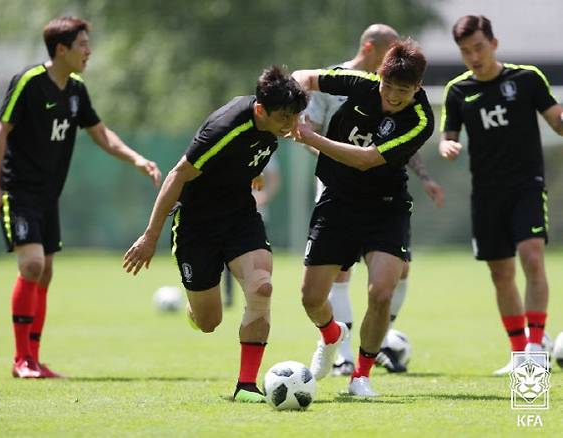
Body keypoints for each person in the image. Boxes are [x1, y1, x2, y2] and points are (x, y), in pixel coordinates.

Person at [0, 16, 162, 379]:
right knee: (32, 266)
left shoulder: (77, 89)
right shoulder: (29, 83)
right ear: (61, 49)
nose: (88, 52)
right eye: (82, 45)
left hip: (49, 195)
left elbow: (101, 134)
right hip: (18, 190)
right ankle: (21, 360)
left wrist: (138, 159)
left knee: (45, 273)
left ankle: (33, 359)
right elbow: (0, 131)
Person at [122, 66, 308, 402]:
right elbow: (177, 176)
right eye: (285, 118)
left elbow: (254, 151)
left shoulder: (276, 125)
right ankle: (195, 309)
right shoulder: (224, 128)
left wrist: (256, 173)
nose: (291, 125)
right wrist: (150, 236)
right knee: (209, 321)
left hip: (240, 216)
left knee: (261, 287)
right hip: (197, 226)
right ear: (260, 110)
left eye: (295, 117)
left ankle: (246, 385)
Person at [292, 39, 434, 397]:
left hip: (385, 208)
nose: (392, 95)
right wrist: (295, 113)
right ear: (379, 76)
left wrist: (311, 137)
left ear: (417, 88)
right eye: (387, 86)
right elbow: (301, 77)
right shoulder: (362, 84)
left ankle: (361, 375)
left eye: (403, 90)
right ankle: (331, 334)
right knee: (311, 298)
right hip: (337, 201)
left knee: (381, 292)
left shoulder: (421, 119)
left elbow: (365, 159)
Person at [439, 15, 563, 374]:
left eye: (478, 47)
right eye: (465, 52)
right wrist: (448, 146)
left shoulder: (527, 79)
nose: (473, 57)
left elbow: (555, 118)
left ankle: (537, 347)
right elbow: (449, 135)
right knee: (501, 274)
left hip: (527, 186)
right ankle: (520, 353)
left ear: (494, 43)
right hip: (487, 194)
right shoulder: (458, 91)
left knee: (533, 257)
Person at [223, 156, 281, 308]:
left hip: (256, 215)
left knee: (257, 259)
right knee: (227, 259)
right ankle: (229, 296)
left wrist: (264, 196)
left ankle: (256, 296)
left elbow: (274, 178)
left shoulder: (266, 150)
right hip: (232, 214)